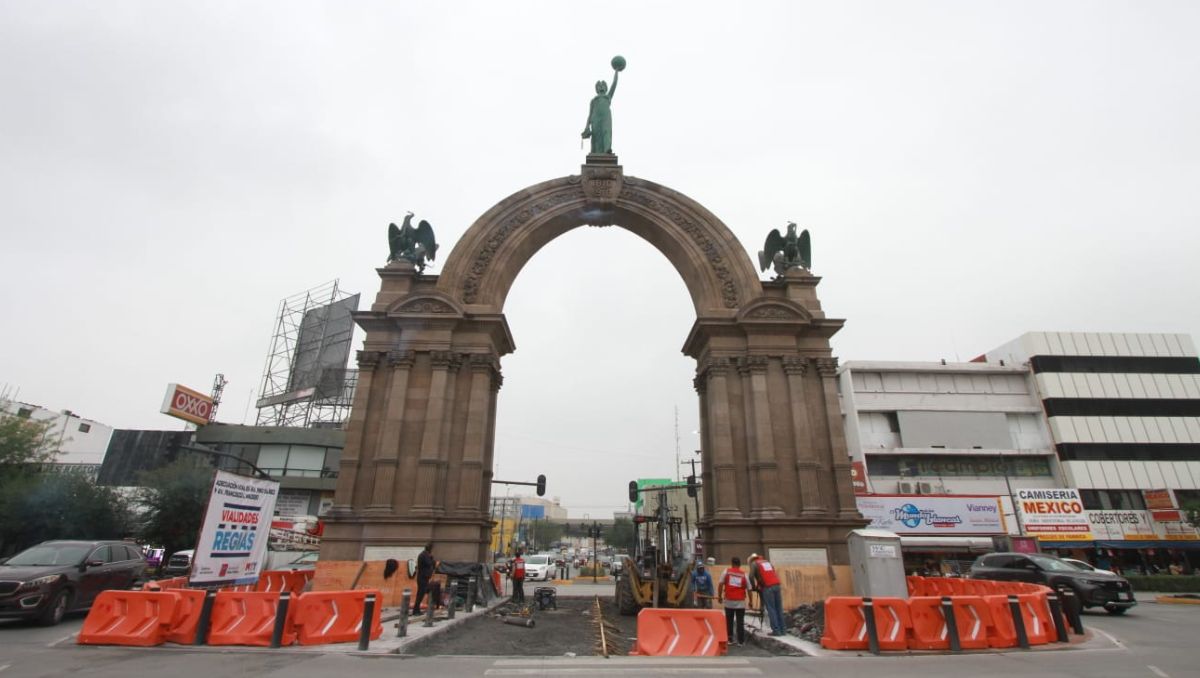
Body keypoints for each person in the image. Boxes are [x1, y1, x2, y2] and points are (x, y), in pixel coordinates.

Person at [581, 69, 619, 154]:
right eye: (599, 86)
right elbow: (590, 114)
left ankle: (607, 150)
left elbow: (614, 83)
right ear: (596, 89)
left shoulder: (608, 97)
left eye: (603, 86)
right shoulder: (593, 100)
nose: (601, 87)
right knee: (596, 136)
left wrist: (616, 71)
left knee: (606, 131)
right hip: (595, 119)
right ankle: (595, 153)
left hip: (606, 117)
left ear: (606, 88)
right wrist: (587, 126)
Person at [748, 554, 786, 636]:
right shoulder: (767, 562)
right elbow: (772, 573)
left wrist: (754, 587)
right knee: (779, 608)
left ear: (751, 560)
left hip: (768, 587)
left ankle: (776, 631)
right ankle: (783, 630)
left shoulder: (754, 564)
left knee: (771, 609)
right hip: (777, 585)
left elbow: (751, 576)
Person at [717, 556, 749, 646]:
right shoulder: (744, 574)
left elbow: (720, 584)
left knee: (729, 621)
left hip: (729, 601)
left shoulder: (726, 572)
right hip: (740, 602)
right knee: (740, 622)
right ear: (740, 565)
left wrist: (719, 596)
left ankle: (730, 639)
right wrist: (750, 601)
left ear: (732, 564)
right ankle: (740, 641)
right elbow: (749, 588)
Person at [411, 542, 436, 614]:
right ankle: (416, 610)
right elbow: (429, 563)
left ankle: (417, 609)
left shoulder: (425, 555)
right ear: (429, 549)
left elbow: (432, 565)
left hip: (425, 577)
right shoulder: (424, 555)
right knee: (420, 594)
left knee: (422, 593)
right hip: (422, 577)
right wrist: (432, 559)